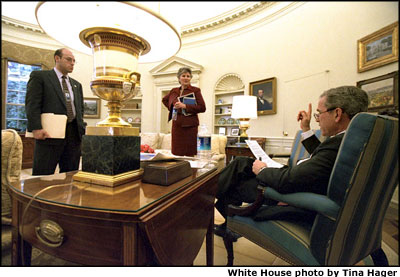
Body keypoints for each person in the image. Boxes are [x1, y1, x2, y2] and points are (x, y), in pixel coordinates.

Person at [214, 86, 369, 240]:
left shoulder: (337, 145)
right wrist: (306, 128)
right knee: (242, 162)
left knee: (234, 184)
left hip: (294, 195)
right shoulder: (351, 141)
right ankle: (211, 198)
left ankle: (207, 199)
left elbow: (288, 180)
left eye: (319, 114)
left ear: (337, 114)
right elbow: (323, 158)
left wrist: (262, 171)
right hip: (302, 181)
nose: (317, 119)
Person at [25, 48, 85, 175]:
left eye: (74, 61)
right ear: (57, 58)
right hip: (49, 134)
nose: (72, 63)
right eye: (69, 59)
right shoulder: (40, 77)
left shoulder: (76, 85)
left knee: (70, 175)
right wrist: (36, 128)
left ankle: (69, 196)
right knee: (42, 175)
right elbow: (32, 104)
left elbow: (79, 110)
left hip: (74, 136)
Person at [162, 67, 206, 156]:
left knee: (189, 152)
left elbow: (202, 107)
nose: (186, 78)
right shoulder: (174, 91)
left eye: (188, 76)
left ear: (190, 78)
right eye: (183, 76)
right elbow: (165, 100)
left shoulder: (195, 90)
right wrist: (173, 108)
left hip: (190, 126)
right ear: (179, 78)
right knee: (177, 152)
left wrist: (185, 106)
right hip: (177, 126)